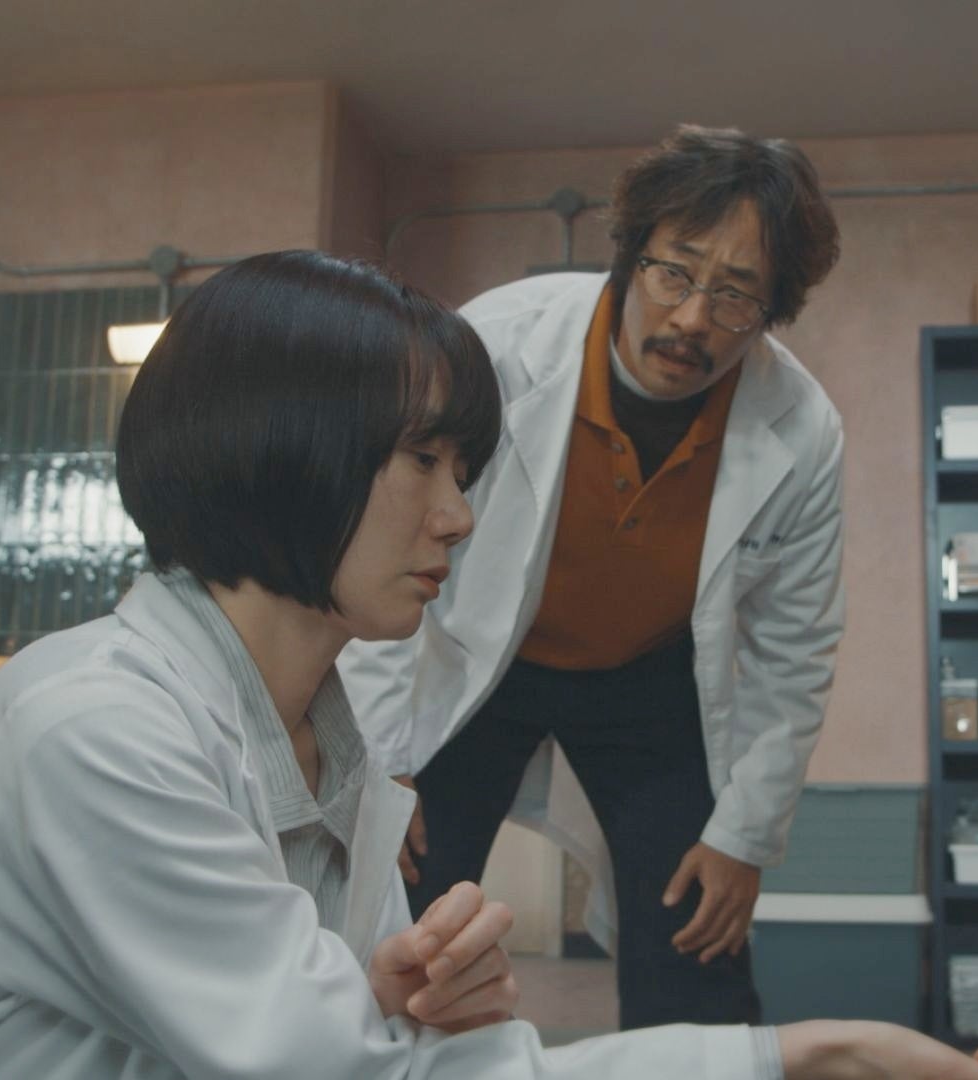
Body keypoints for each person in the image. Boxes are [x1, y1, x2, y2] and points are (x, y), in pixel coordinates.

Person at [0, 250, 978, 1079]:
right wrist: (372, 1013)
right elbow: (348, 1072)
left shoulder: (344, 765)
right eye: (425, 462)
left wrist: (816, 1054)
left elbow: (417, 1064)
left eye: (465, 473)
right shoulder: (99, 731)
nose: (460, 519)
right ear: (287, 450)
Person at [340, 124, 846, 1030]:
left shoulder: (803, 430)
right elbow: (384, 544)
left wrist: (745, 838)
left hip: (648, 680)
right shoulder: (497, 346)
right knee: (400, 892)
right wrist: (380, 761)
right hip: (473, 661)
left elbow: (793, 651)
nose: (692, 319)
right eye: (674, 272)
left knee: (697, 927)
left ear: (774, 312)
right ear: (629, 253)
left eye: (737, 296)